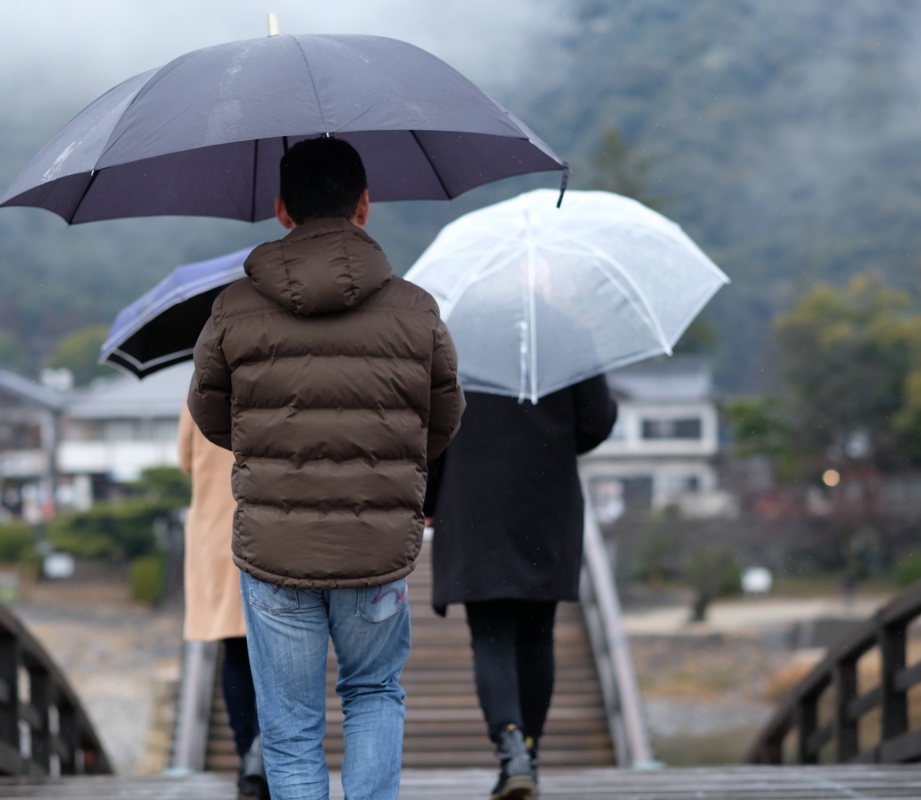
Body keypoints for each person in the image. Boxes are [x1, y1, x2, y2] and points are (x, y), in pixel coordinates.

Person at [188, 135, 465, 800]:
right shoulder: (416, 309)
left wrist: (269, 450)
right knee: (372, 690)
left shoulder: (233, 308)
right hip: (377, 543)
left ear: (281, 209)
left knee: (289, 726)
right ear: (365, 206)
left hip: (274, 548)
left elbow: (210, 415)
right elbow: (444, 418)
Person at [426, 379, 617, 800]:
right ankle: (529, 750)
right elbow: (597, 422)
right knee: (537, 635)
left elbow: (432, 425)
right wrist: (550, 431)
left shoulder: (460, 338)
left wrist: (428, 498)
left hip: (473, 497)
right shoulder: (565, 336)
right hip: (543, 493)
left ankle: (510, 750)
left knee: (491, 637)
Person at [176, 401, 267, 800]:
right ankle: (269, 748)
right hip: (267, 524)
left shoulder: (202, 383)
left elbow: (185, 460)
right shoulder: (274, 376)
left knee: (235, 647)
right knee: (281, 646)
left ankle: (247, 751)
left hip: (217, 528)